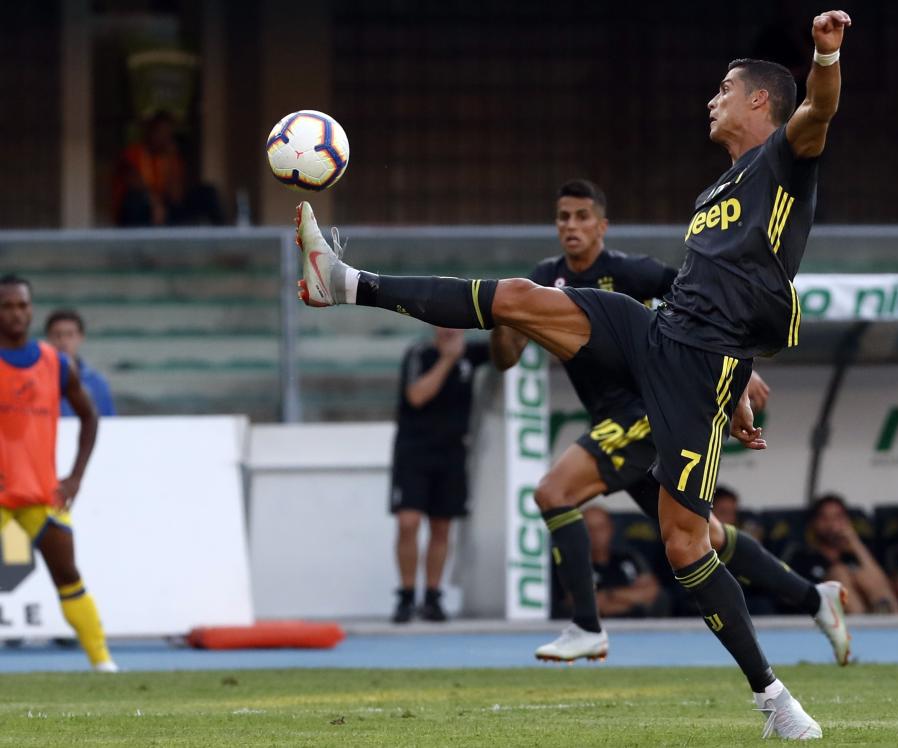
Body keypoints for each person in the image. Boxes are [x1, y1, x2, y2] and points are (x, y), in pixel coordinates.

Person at [295, 10, 852, 738]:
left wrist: (824, 54)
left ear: (758, 102)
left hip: (698, 369)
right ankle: (345, 282)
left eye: (724, 87)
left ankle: (774, 700)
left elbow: (819, 108)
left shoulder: (786, 155)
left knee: (686, 541)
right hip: (660, 333)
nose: (711, 98)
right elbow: (735, 286)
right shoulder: (715, 193)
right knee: (524, 300)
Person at [490, 179, 847, 665]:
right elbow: (506, 359)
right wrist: (503, 320)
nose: (571, 226)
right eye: (563, 218)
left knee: (554, 492)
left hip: (647, 410)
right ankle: (815, 598)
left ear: (601, 225)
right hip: (615, 425)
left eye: (581, 216)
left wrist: (740, 369)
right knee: (710, 537)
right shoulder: (545, 279)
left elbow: (705, 310)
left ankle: (586, 626)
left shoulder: (630, 272)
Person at [0, 275, 116, 672]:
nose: (16, 313)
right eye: (7, 306)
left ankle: (103, 663)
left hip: (39, 493)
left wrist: (75, 478)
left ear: (31, 310)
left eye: (22, 305)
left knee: (67, 573)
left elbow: (89, 415)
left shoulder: (54, 363)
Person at [390, 327, 490, 623]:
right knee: (408, 522)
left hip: (453, 451)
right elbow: (417, 396)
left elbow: (507, 346)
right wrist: (447, 361)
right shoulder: (419, 354)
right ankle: (407, 595)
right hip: (414, 450)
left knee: (442, 525)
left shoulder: (473, 354)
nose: (449, 329)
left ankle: (433, 596)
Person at [783, 493, 898, 614]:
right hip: (823, 618)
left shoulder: (855, 554)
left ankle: (892, 624)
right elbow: (790, 595)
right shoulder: (801, 555)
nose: (831, 524)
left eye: (837, 518)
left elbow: (882, 584)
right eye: (824, 518)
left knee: (865, 575)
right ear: (813, 523)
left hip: (868, 610)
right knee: (839, 573)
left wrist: (854, 542)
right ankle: (861, 625)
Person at [582, 505, 670, 619]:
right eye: (589, 529)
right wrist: (632, 600)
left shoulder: (629, 558)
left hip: (637, 629)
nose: (596, 534)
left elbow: (651, 592)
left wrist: (609, 594)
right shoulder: (574, 565)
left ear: (611, 528)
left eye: (601, 528)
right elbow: (583, 604)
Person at [44, 309, 116, 417]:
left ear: (81, 337)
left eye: (69, 335)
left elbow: (109, 424)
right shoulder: (35, 380)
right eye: (57, 335)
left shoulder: (97, 383)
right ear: (48, 338)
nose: (63, 341)